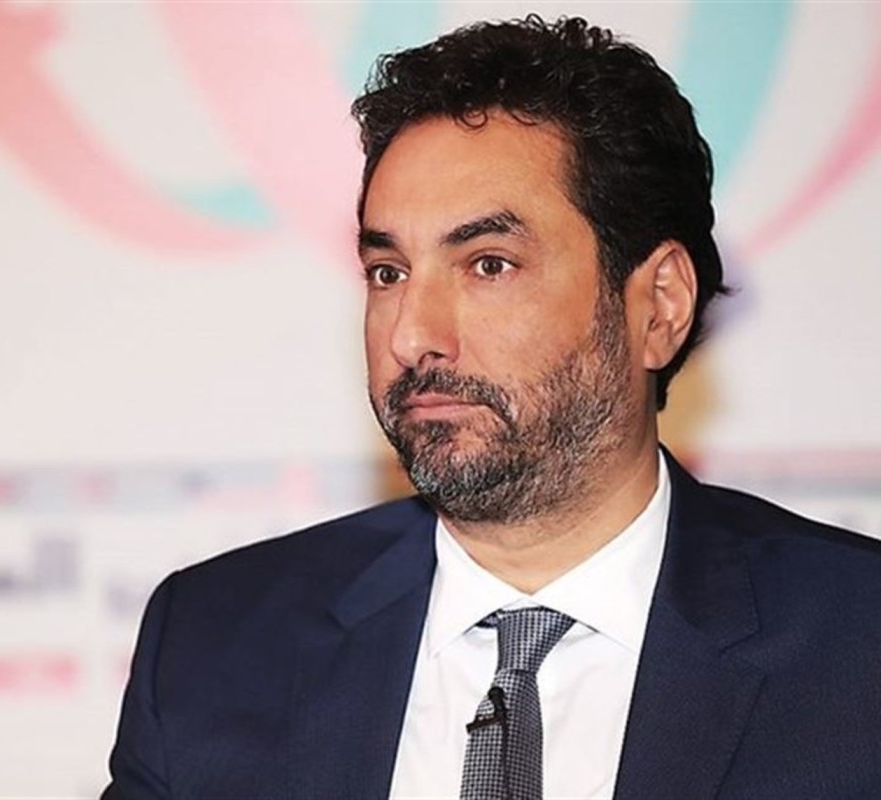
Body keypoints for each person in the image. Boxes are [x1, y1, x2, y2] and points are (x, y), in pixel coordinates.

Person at [103, 16, 881, 800]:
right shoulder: (215, 645)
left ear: (659, 305)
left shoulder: (858, 645)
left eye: (488, 264)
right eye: (388, 272)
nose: (412, 335)